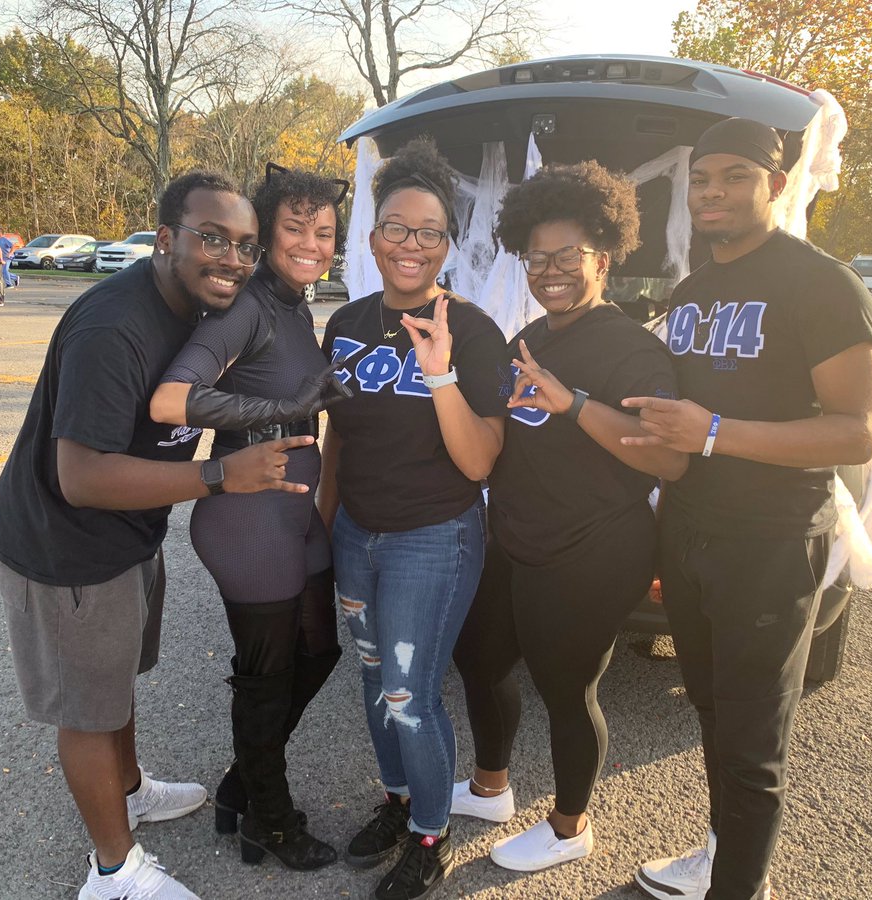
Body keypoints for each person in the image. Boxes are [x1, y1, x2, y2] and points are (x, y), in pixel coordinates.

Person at [0, 170, 315, 900]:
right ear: (164, 239)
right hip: (65, 543)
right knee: (87, 708)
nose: (231, 258)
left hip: (130, 534)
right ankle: (113, 872)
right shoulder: (116, 326)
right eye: (211, 239)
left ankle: (128, 789)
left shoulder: (191, 307)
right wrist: (223, 479)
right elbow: (84, 477)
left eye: (245, 246)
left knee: (113, 683)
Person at [623, 119, 872, 900]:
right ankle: (721, 853)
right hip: (692, 530)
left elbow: (857, 432)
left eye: (735, 177)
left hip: (771, 543)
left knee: (753, 741)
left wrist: (713, 434)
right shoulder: (694, 289)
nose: (713, 193)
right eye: (702, 180)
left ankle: (742, 885)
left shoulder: (822, 284)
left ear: (774, 185)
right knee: (710, 710)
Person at [450, 162, 689, 873]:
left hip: (591, 548)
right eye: (537, 258)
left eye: (567, 257)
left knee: (565, 688)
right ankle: (491, 787)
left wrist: (576, 404)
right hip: (517, 536)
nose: (549, 271)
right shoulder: (535, 336)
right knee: (480, 657)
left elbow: (669, 461)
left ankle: (567, 827)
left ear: (604, 259)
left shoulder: (634, 348)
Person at [317, 138, 509, 900]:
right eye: (397, 227)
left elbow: (479, 462)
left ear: (447, 246)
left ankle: (431, 835)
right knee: (372, 677)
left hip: (434, 538)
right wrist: (322, 526)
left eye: (429, 232)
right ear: (373, 238)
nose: (411, 244)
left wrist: (440, 373)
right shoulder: (347, 325)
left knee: (410, 693)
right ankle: (398, 802)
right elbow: (338, 440)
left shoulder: (475, 331)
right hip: (355, 534)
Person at [149, 165, 351, 871]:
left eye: (323, 231)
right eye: (295, 227)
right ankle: (271, 818)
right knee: (265, 679)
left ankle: (241, 784)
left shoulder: (296, 302)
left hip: (293, 515)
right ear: (266, 235)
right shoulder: (251, 306)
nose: (311, 242)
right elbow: (173, 400)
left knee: (320, 650)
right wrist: (281, 413)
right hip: (248, 521)